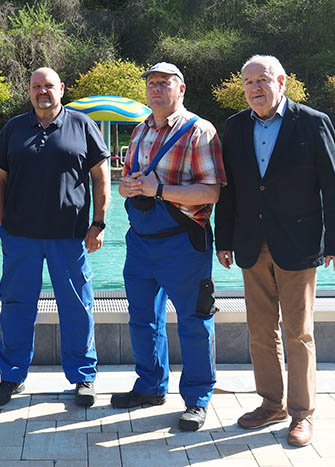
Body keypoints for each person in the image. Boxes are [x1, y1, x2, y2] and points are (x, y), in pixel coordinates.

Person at [215, 55, 335, 445]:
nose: (255, 88)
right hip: (251, 246)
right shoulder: (235, 126)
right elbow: (230, 190)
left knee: (299, 334)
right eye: (248, 82)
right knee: (260, 332)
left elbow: (334, 190)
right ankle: (270, 403)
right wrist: (223, 240)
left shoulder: (312, 122)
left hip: (299, 244)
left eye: (262, 80)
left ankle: (302, 413)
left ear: (282, 81)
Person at [111, 62, 226, 432]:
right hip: (141, 242)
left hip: (183, 244)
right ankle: (150, 386)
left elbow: (211, 192)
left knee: (194, 321)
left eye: (164, 83)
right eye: (151, 83)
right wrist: (127, 187)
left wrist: (157, 190)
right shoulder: (140, 130)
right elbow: (130, 180)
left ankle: (197, 398)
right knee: (143, 320)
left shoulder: (199, 131)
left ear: (181, 89)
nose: (156, 88)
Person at [0, 67, 110, 407]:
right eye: (36, 86)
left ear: (62, 89)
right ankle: (11, 376)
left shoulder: (83, 126)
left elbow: (101, 177)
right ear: (29, 91)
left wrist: (98, 223)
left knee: (77, 308)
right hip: (21, 238)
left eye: (49, 86)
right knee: (16, 307)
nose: (43, 91)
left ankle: (83, 377)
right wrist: (2, 227)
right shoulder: (14, 128)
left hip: (69, 238)